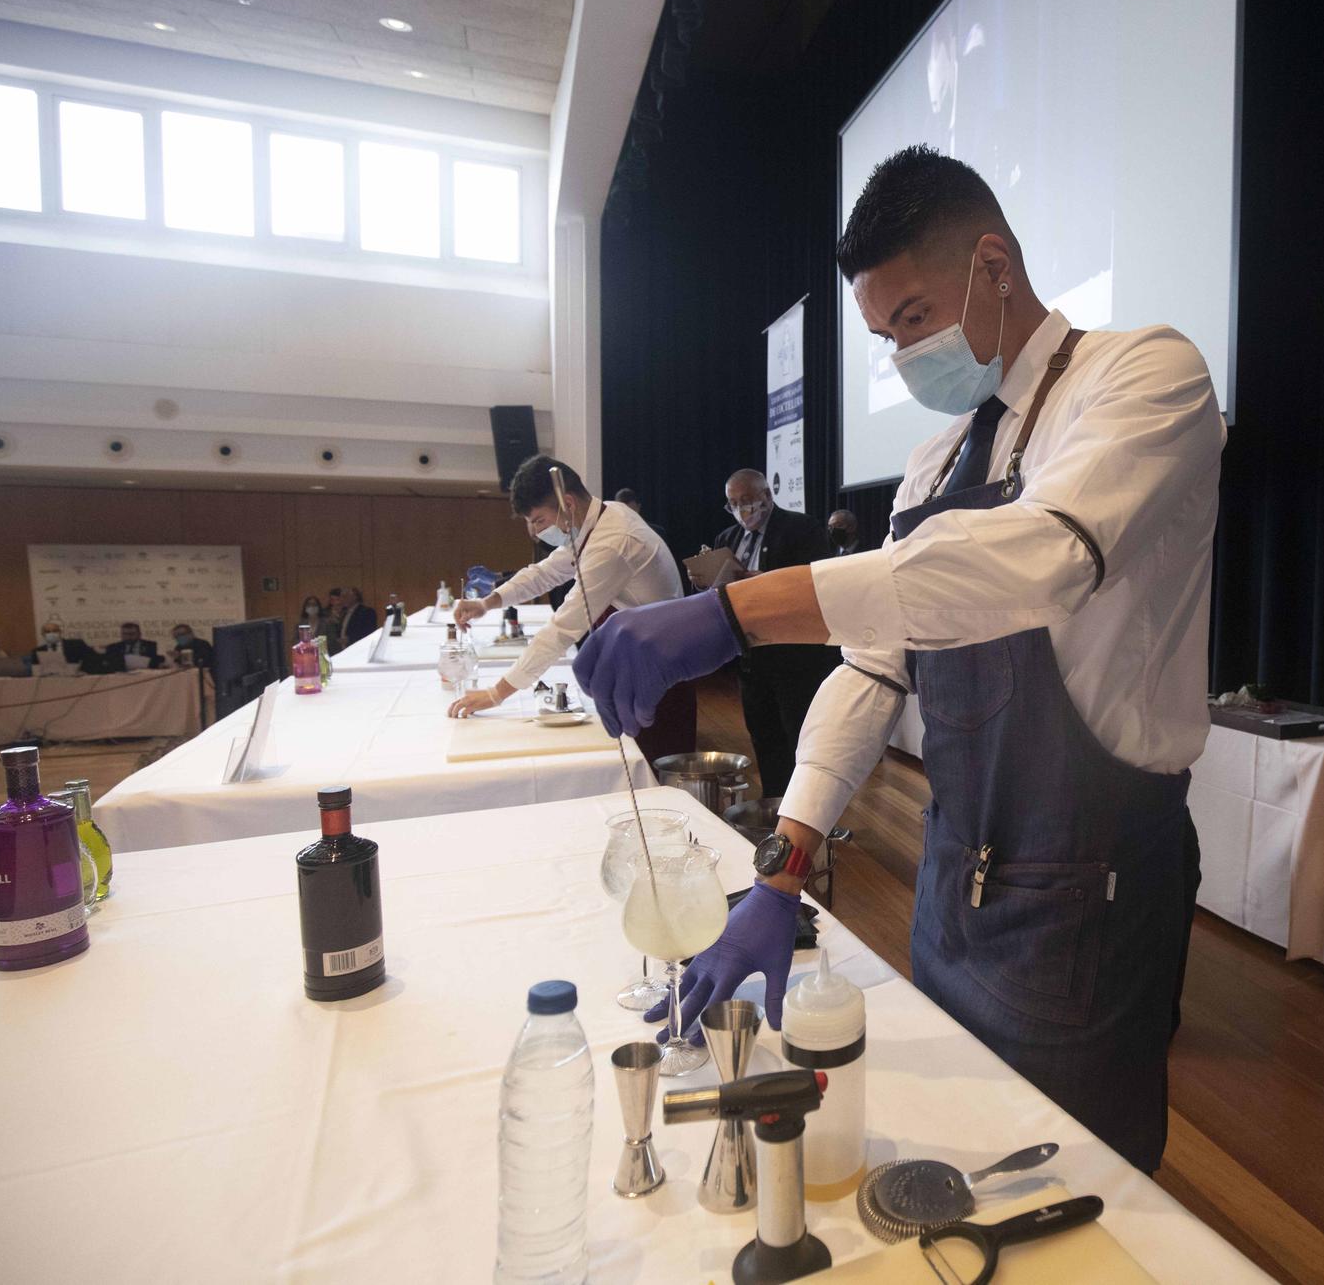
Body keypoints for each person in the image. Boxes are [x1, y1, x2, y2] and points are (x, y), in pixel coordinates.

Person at [573, 146, 1224, 1173]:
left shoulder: (1143, 376)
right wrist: (785, 866)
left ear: (992, 265)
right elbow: (876, 667)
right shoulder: (933, 460)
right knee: (963, 1162)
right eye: (884, 337)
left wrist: (734, 612)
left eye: (912, 318)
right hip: (951, 880)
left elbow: (1039, 560)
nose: (902, 356)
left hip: (1085, 890)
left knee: (1073, 1183)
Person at [446, 455, 693, 761]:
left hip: (659, 672)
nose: (534, 533)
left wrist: (496, 694)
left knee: (655, 776)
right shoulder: (601, 517)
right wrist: (487, 602)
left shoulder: (612, 543)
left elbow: (561, 629)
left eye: (538, 521)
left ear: (568, 503)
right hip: (639, 660)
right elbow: (545, 572)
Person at [706, 469, 842, 797]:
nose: (742, 509)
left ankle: (809, 809)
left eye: (748, 501)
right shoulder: (727, 539)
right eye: (733, 504)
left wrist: (761, 580)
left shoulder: (801, 528)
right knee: (763, 736)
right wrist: (707, 583)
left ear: (767, 496)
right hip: (752, 657)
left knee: (801, 737)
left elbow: (814, 581)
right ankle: (774, 807)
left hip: (795, 658)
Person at [30, 622, 95, 673]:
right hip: (49, 681)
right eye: (48, 632)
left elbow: (90, 660)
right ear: (43, 634)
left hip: (75, 679)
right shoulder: (37, 651)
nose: (51, 633)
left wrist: (82, 671)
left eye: (55, 631)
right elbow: (36, 671)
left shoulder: (76, 644)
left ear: (60, 632)